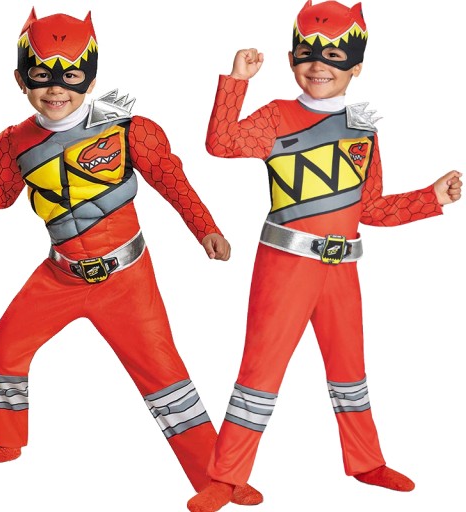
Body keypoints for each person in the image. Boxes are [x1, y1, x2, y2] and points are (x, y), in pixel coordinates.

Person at [0, 8, 262, 506]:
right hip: (60, 276)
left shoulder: (129, 129)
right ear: (20, 79)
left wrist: (206, 229)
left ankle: (218, 481)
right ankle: (5, 442)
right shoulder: (14, 141)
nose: (56, 89)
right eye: (41, 76)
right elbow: (1, 195)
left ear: (91, 79)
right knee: (2, 351)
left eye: (71, 77)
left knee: (166, 381)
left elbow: (173, 182)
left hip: (126, 279)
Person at [187, 1, 462, 510]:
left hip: (343, 270)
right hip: (285, 267)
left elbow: (370, 209)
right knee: (259, 373)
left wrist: (432, 198)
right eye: (307, 55)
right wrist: (236, 81)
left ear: (356, 67)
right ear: (292, 60)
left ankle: (366, 462)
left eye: (334, 56)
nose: (318, 66)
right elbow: (222, 144)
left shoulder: (364, 128)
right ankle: (225, 477)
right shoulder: (276, 115)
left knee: (350, 370)